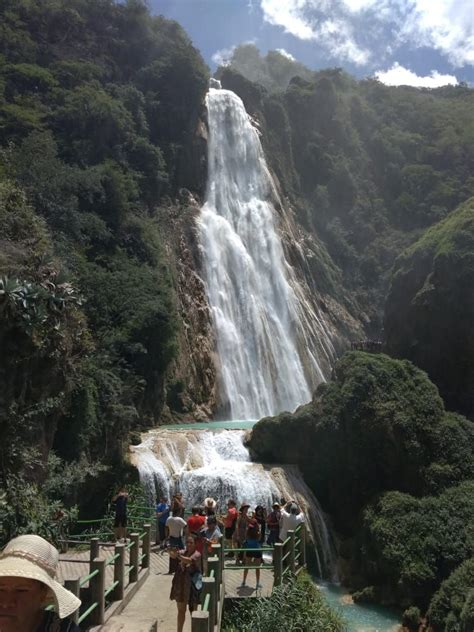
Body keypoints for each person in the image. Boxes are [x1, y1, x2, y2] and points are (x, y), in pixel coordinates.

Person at [0, 534, 82, 631]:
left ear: (43, 594)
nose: (6, 602)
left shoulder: (62, 629)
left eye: (21, 590)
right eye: (1, 589)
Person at [169, 535, 202, 632]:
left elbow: (189, 560)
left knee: (193, 612)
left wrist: (178, 556)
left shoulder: (197, 554)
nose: (188, 544)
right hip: (181, 587)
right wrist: (169, 550)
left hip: (192, 588)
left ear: (195, 544)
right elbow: (174, 555)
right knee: (181, 611)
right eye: (187, 542)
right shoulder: (184, 552)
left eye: (191, 543)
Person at [241, 519, 263, 590]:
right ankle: (257, 583)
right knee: (257, 568)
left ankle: (244, 582)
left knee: (247, 566)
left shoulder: (247, 532)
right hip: (257, 550)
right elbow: (259, 540)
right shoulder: (258, 533)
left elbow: (246, 540)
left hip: (249, 550)